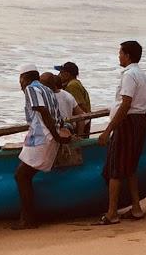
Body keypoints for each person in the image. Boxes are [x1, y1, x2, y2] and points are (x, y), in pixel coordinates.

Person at [96, 40, 146, 224]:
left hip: (128, 122)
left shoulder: (129, 75)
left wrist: (108, 130)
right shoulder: (143, 75)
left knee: (116, 167)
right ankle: (136, 208)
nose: (118, 56)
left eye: (120, 53)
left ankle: (112, 213)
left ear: (127, 55)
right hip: (139, 121)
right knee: (130, 167)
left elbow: (126, 103)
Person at [14, 69, 71, 228]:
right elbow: (57, 115)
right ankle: (27, 217)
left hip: (41, 137)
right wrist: (60, 133)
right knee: (23, 175)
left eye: (20, 80)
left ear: (25, 78)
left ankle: (28, 219)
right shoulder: (47, 89)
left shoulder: (31, 89)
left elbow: (44, 112)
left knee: (21, 176)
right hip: (46, 136)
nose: (20, 84)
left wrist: (55, 135)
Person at [43, 71, 85, 167]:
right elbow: (81, 116)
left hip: (55, 133)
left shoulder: (46, 98)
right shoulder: (68, 95)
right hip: (68, 131)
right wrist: (80, 136)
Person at [57, 61, 92, 136]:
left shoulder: (72, 86)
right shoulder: (75, 83)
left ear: (67, 74)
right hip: (84, 121)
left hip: (80, 124)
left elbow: (82, 107)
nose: (59, 75)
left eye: (61, 73)